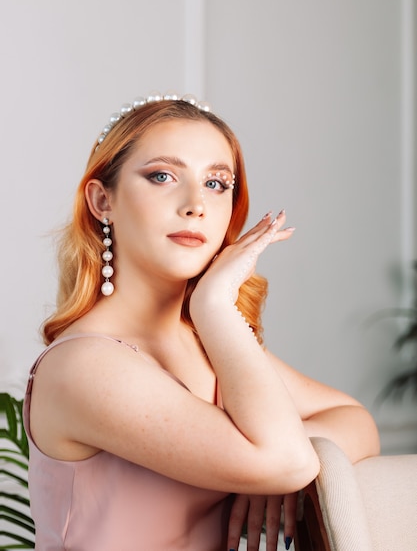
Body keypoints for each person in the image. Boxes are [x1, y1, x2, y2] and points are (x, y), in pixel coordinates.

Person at [24, 92, 380, 551]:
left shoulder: (207, 342)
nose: (195, 204)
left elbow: (356, 422)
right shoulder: (84, 365)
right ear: (101, 201)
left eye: (216, 183)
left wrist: (267, 466)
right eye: (162, 176)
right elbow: (287, 460)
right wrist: (214, 305)